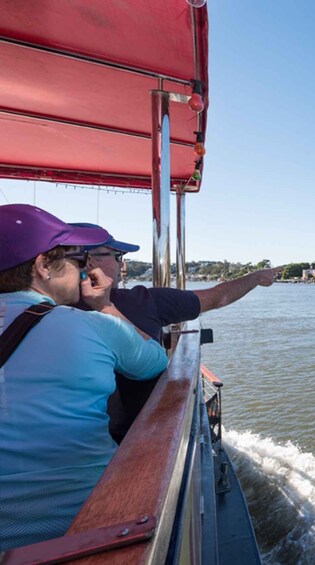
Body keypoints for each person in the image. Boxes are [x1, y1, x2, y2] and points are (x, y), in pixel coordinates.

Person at [0, 205, 168, 551]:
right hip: (86, 528)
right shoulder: (93, 326)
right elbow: (154, 362)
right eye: (78, 262)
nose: (83, 271)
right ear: (43, 266)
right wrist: (104, 304)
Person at [70, 223, 281, 442]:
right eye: (117, 255)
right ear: (89, 261)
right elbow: (219, 297)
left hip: (77, 444)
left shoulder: (48, 312)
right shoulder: (144, 302)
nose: (120, 263)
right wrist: (256, 278)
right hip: (141, 441)